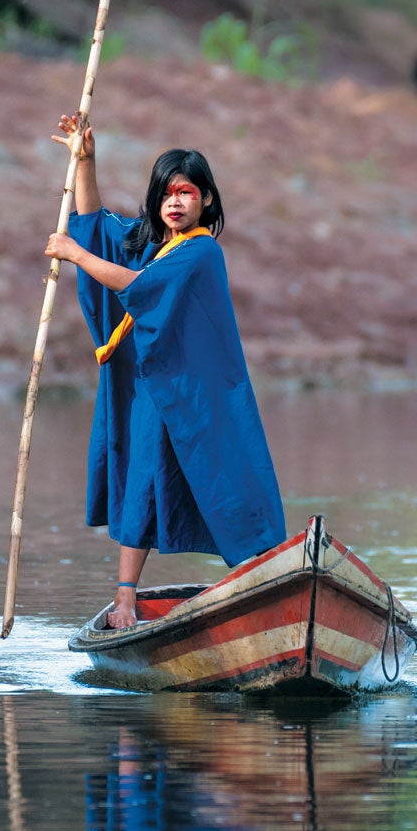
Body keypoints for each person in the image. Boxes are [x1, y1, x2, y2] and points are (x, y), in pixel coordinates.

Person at [44, 113, 288, 629]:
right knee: (143, 482)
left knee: (231, 477)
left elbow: (135, 284)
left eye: (186, 192)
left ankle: (264, 582)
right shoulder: (156, 243)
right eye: (166, 194)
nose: (175, 202)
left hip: (200, 393)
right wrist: (86, 161)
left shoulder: (201, 252)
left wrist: (73, 253)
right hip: (156, 390)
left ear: (207, 200)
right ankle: (126, 600)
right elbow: (100, 226)